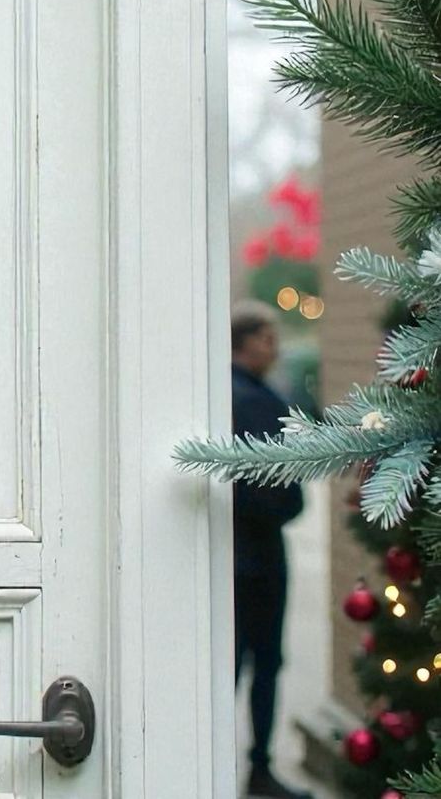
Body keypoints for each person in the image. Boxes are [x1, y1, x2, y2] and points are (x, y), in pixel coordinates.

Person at [231, 299, 311, 799]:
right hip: (258, 560)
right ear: (245, 342)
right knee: (262, 664)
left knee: (231, 664)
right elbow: (273, 486)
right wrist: (291, 499)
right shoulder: (256, 400)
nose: (275, 348)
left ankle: (216, 764)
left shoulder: (225, 391)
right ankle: (259, 768)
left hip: (235, 554)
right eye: (268, 338)